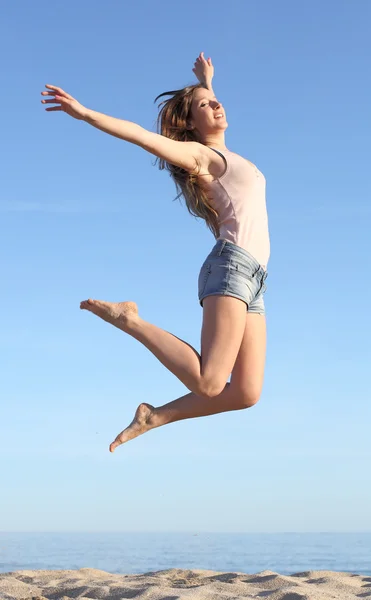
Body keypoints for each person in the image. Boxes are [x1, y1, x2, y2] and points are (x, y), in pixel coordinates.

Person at [41, 51, 271, 453]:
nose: (215, 105)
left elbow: (211, 113)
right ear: (191, 126)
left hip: (255, 278)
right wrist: (85, 113)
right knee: (210, 383)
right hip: (231, 268)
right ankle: (130, 319)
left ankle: (154, 416)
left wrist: (207, 82)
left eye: (215, 101)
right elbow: (139, 135)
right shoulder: (202, 157)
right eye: (204, 105)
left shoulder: (224, 152)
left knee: (246, 392)